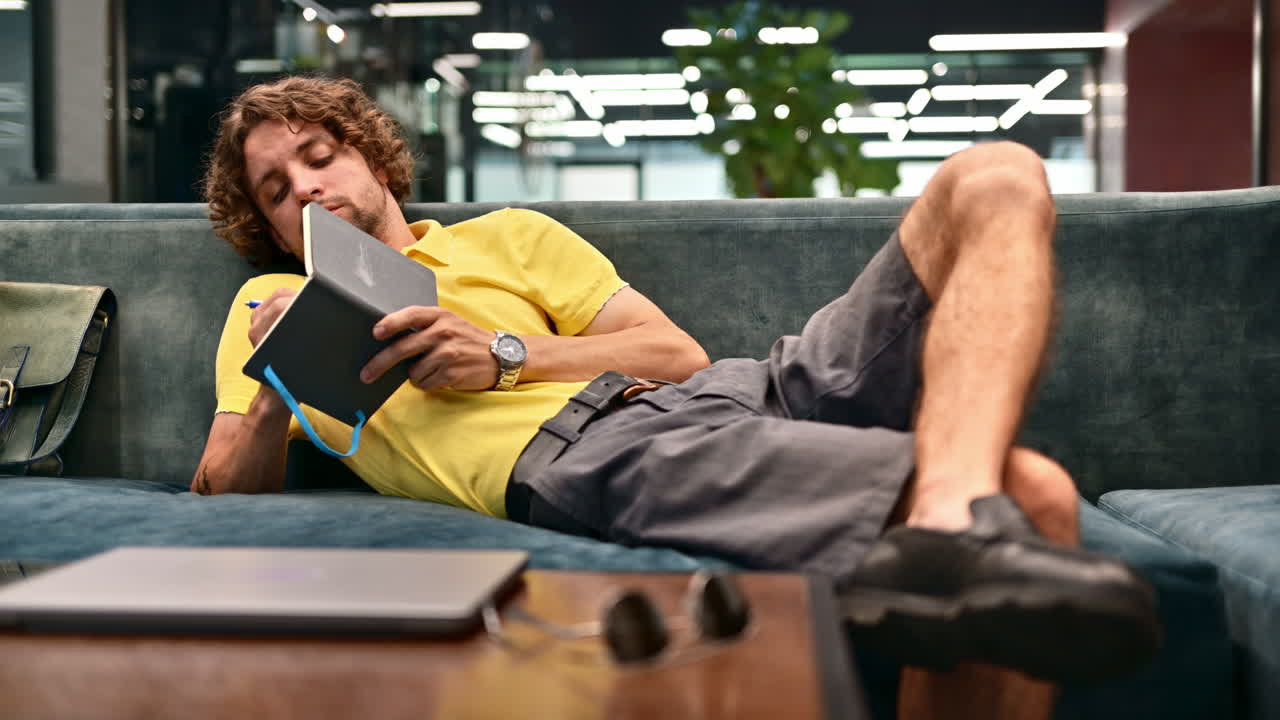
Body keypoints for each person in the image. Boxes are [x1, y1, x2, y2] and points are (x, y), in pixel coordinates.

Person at [196, 76, 1158, 717]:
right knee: (1033, 495)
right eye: (276, 189)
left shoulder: (513, 237)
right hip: (595, 450)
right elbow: (220, 496)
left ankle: (946, 526)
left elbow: (679, 354)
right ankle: (961, 531)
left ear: (367, 155)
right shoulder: (265, 307)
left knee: (995, 174)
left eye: (318, 155)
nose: (305, 189)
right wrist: (281, 382)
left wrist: (505, 351)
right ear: (270, 229)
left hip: (747, 388)